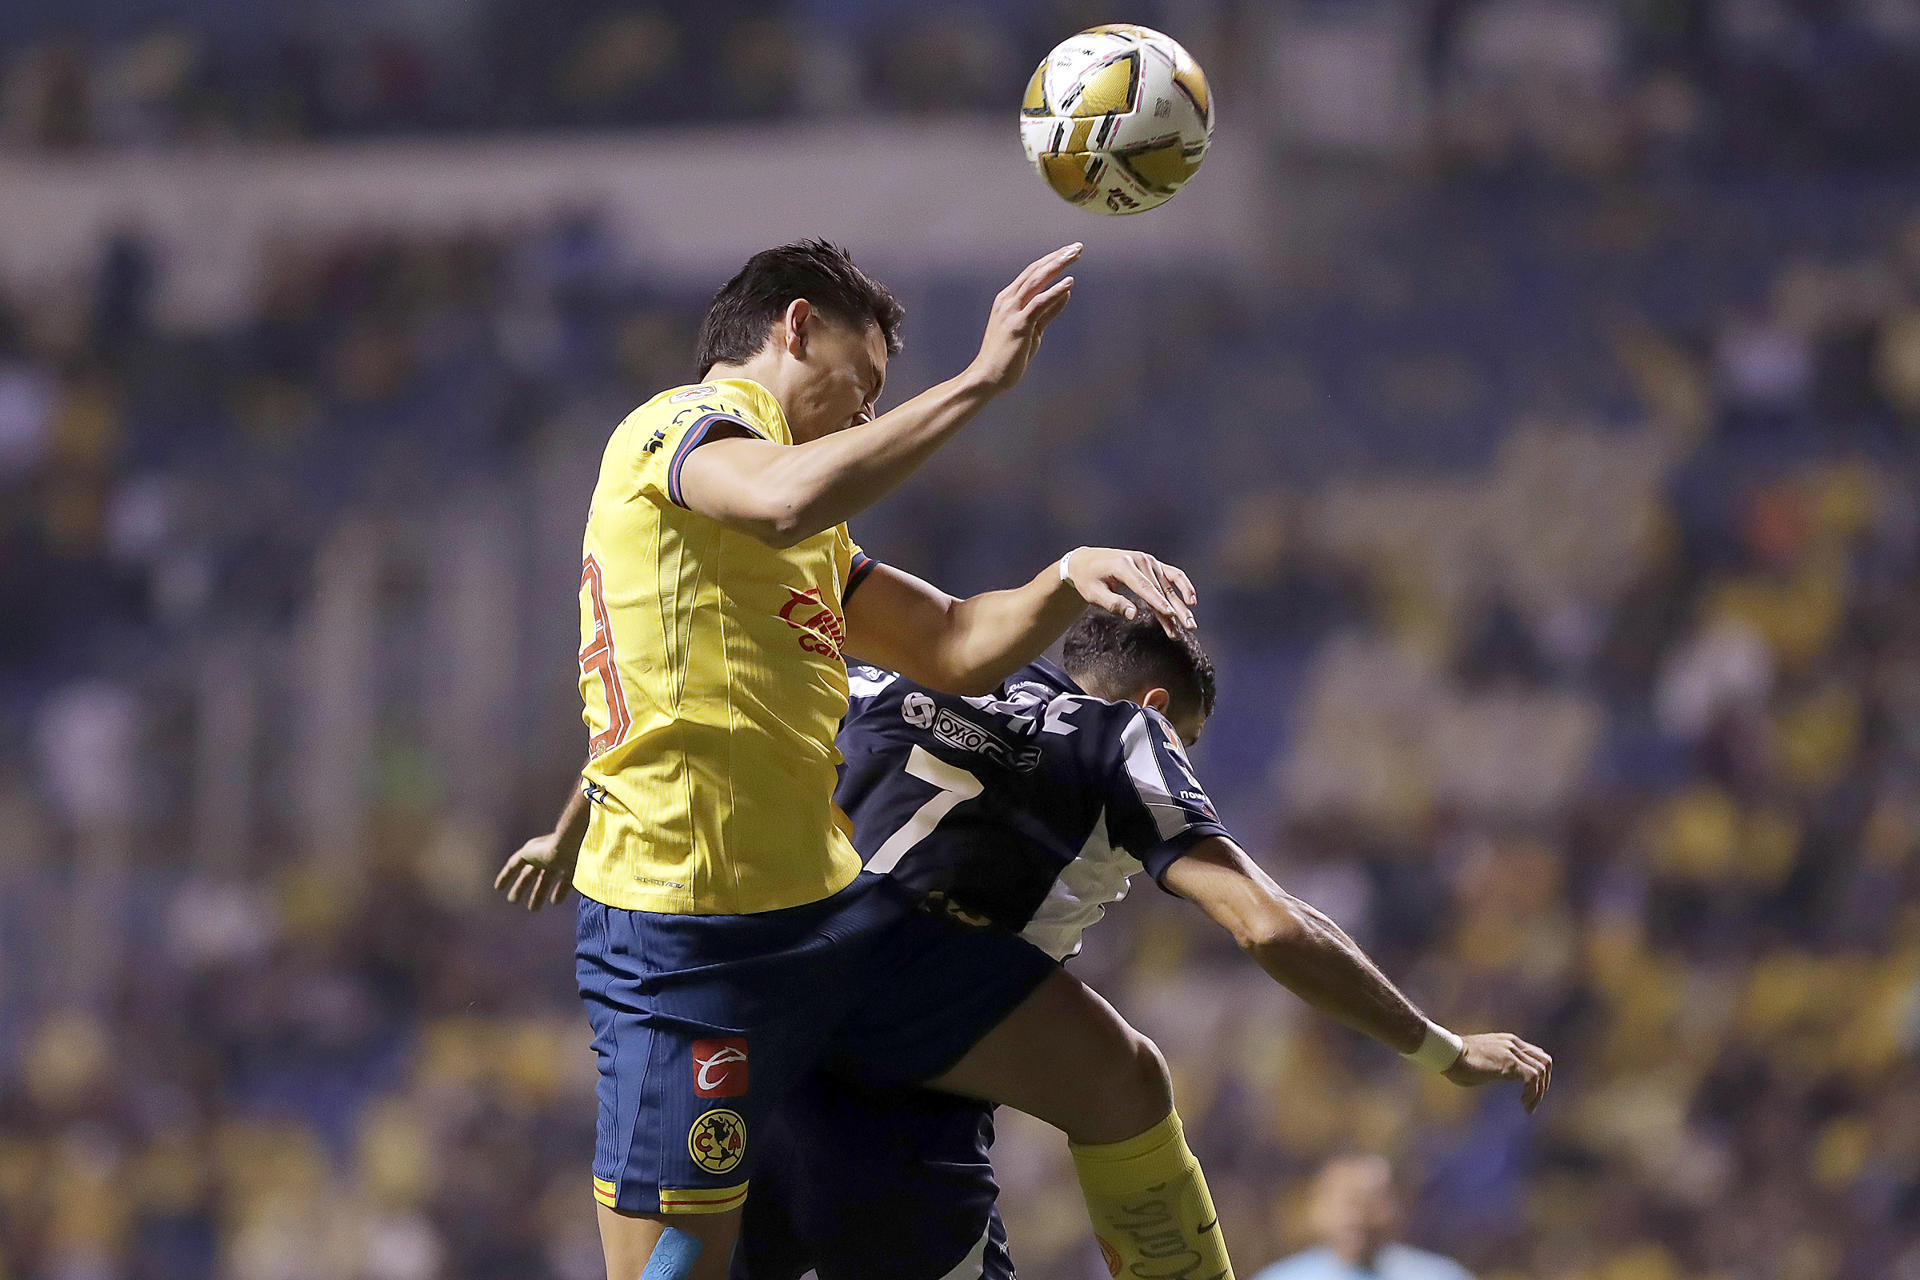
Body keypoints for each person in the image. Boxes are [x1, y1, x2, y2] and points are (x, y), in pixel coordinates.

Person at [499, 237, 1243, 1280]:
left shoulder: (806, 529)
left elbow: (952, 643)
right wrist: (978, 383)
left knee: (1117, 1075)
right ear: (796, 325)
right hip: (688, 939)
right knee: (676, 1264)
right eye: (865, 384)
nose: (863, 412)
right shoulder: (678, 429)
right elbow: (782, 497)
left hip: (829, 917)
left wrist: (1070, 573)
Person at [505, 595, 1553, 1280]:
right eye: (1186, 739)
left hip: (745, 1070)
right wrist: (1438, 1044)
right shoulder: (1123, 735)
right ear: (1155, 704)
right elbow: (1269, 922)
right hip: (905, 1129)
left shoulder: (880, 678)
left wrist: (566, 831)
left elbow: (678, 723)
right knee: (1130, 1077)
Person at [1250, 1156, 1473, 1280]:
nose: (1356, 1216)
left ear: (1397, 1207)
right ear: (1317, 1209)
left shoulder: (1439, 1275)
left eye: (1368, 1202)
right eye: (1344, 1202)